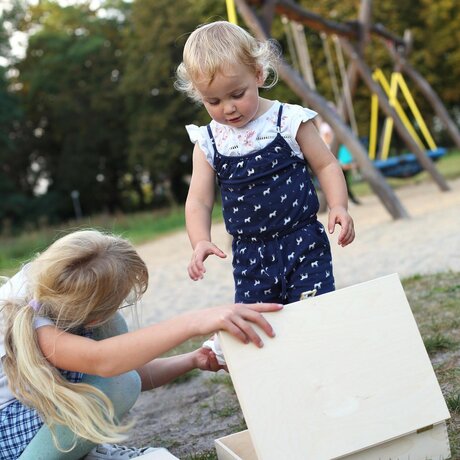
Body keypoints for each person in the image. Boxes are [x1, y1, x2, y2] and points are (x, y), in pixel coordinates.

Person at [0, 229, 282, 460]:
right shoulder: (27, 318)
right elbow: (106, 365)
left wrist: (194, 359)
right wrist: (193, 322)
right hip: (7, 434)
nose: (121, 306)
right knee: (119, 377)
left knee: (116, 339)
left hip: (32, 417)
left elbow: (130, 370)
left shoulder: (53, 284)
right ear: (89, 312)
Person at [175, 21, 355, 304]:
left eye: (237, 94)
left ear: (258, 75)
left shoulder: (288, 121)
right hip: (250, 255)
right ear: (199, 95)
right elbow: (198, 201)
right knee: (260, 325)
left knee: (317, 309)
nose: (228, 107)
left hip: (303, 240)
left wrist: (338, 206)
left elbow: (326, 165)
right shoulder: (208, 141)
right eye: (213, 101)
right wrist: (200, 240)